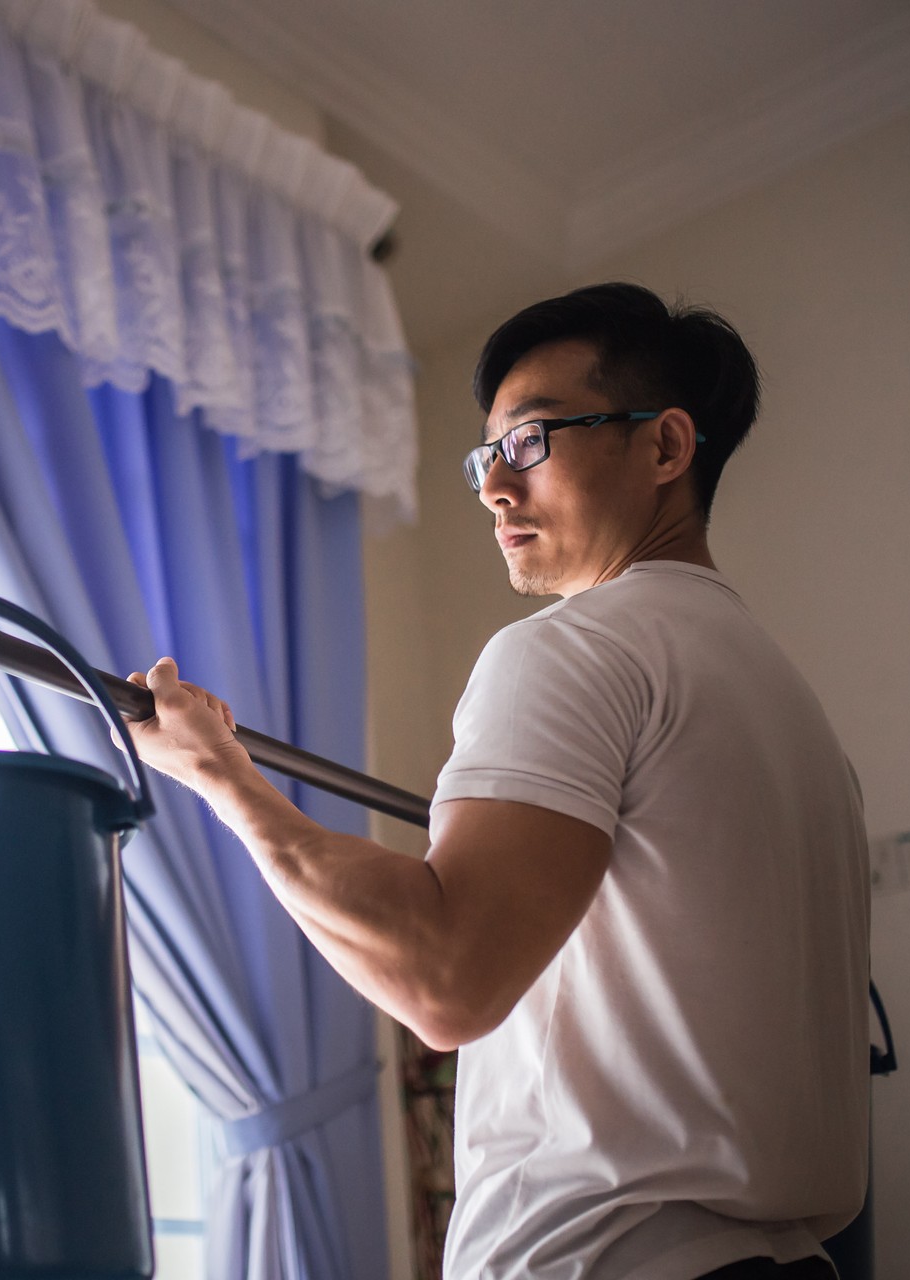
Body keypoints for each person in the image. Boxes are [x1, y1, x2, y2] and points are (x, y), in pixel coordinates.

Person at [127, 283, 870, 1280]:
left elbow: (446, 974)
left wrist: (225, 780)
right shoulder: (796, 714)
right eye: (487, 455)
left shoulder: (576, 649)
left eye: (529, 441)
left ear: (663, 447)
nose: (490, 486)